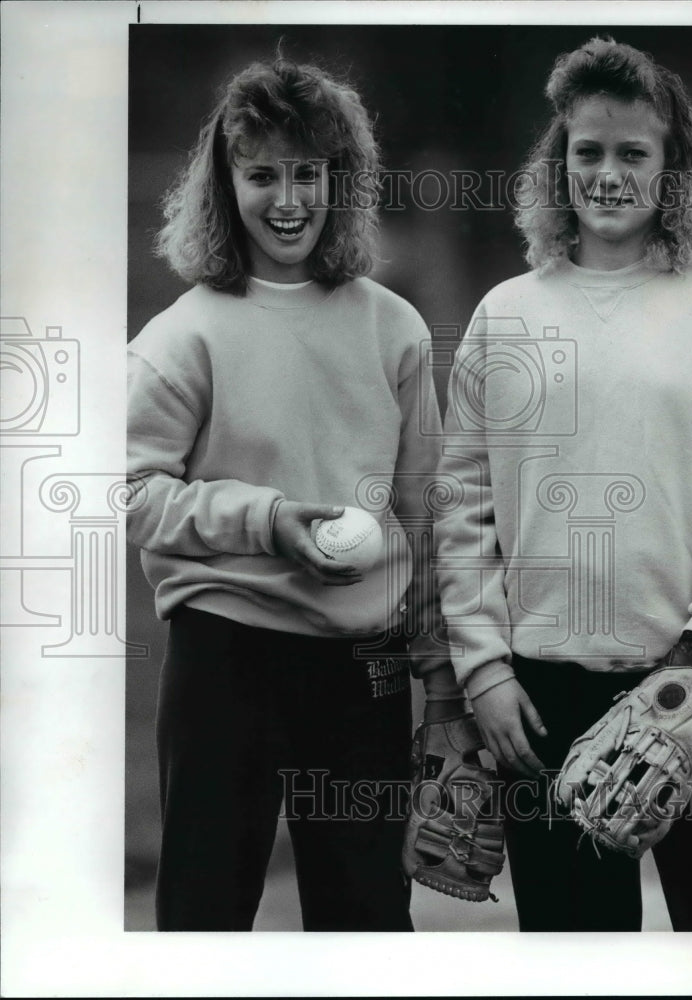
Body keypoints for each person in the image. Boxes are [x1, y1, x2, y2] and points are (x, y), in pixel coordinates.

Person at [126, 56, 461, 932]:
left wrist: (439, 679)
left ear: (337, 181)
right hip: (223, 660)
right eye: (262, 174)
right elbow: (131, 495)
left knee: (367, 929)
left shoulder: (393, 327)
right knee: (204, 923)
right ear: (223, 182)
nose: (287, 200)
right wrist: (269, 520)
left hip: (364, 674)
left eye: (307, 173)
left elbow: (425, 509)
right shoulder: (181, 336)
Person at [433, 37, 692, 931]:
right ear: (557, 162)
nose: (607, 175)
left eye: (632, 153)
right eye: (587, 151)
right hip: (542, 694)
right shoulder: (508, 310)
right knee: (574, 962)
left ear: (672, 168)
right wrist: (484, 667)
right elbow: (461, 503)